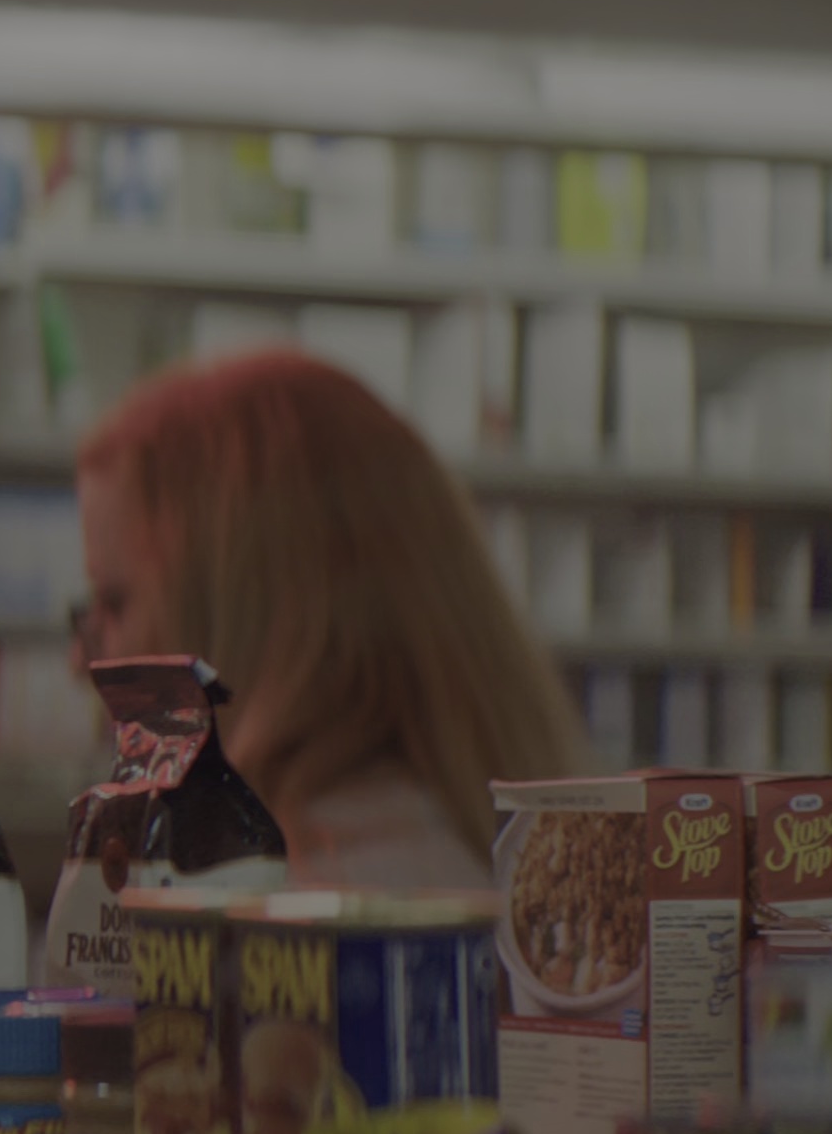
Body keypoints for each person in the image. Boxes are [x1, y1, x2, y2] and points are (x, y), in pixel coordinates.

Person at [69, 348, 588, 889]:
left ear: (258, 624)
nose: (81, 660)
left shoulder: (281, 895)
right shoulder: (475, 856)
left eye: (116, 602)